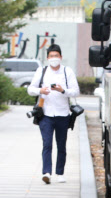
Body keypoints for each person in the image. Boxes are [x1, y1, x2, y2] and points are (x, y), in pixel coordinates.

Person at [27, 44, 80, 184]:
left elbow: (76, 91)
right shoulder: (42, 71)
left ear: (61, 57)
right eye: (51, 56)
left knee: (61, 145)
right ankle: (46, 173)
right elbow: (30, 89)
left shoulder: (67, 71)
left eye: (56, 56)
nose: (54, 59)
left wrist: (63, 91)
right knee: (47, 144)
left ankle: (60, 172)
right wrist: (40, 91)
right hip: (45, 114)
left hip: (63, 114)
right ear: (47, 58)